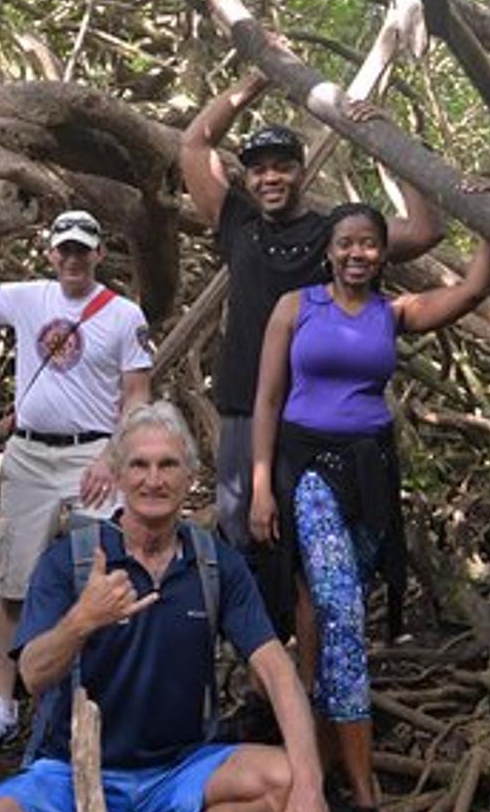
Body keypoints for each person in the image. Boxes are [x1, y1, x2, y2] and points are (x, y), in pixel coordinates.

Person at [0, 402, 331, 812]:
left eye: (168, 465)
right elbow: (32, 675)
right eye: (139, 466)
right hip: (72, 774)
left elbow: (276, 671)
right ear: (118, 477)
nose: (153, 479)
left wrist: (312, 783)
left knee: (290, 782)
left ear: (190, 476)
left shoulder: (215, 564)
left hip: (181, 770)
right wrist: (82, 620)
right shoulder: (72, 562)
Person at [248, 204, 490, 812]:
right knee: (341, 612)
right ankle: (363, 793)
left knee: (333, 623)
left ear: (382, 255)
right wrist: (258, 484)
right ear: (328, 251)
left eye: (369, 245)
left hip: (372, 476)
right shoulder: (295, 306)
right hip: (308, 469)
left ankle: (318, 766)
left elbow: (471, 289)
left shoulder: (394, 312)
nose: (357, 253)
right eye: (346, 243)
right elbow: (268, 398)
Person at [179, 73, 443, 553]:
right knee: (244, 535)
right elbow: (194, 145)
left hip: (315, 419)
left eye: (282, 167)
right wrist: (252, 83)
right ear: (247, 179)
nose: (270, 178)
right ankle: (254, 630)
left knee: (313, 546)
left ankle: (305, 629)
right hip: (243, 405)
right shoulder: (236, 221)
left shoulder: (335, 237)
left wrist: (390, 144)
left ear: (302, 173)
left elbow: (426, 230)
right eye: (258, 170)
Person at [0, 209, 153, 756]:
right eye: (64, 249)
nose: (72, 259)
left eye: (82, 249)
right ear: (50, 253)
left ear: (99, 254)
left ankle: (93, 698)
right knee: (13, 583)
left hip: (94, 454)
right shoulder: (28, 296)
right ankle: (2, 704)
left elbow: (137, 394)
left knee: (101, 575)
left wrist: (113, 456)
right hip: (31, 455)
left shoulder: (123, 314)